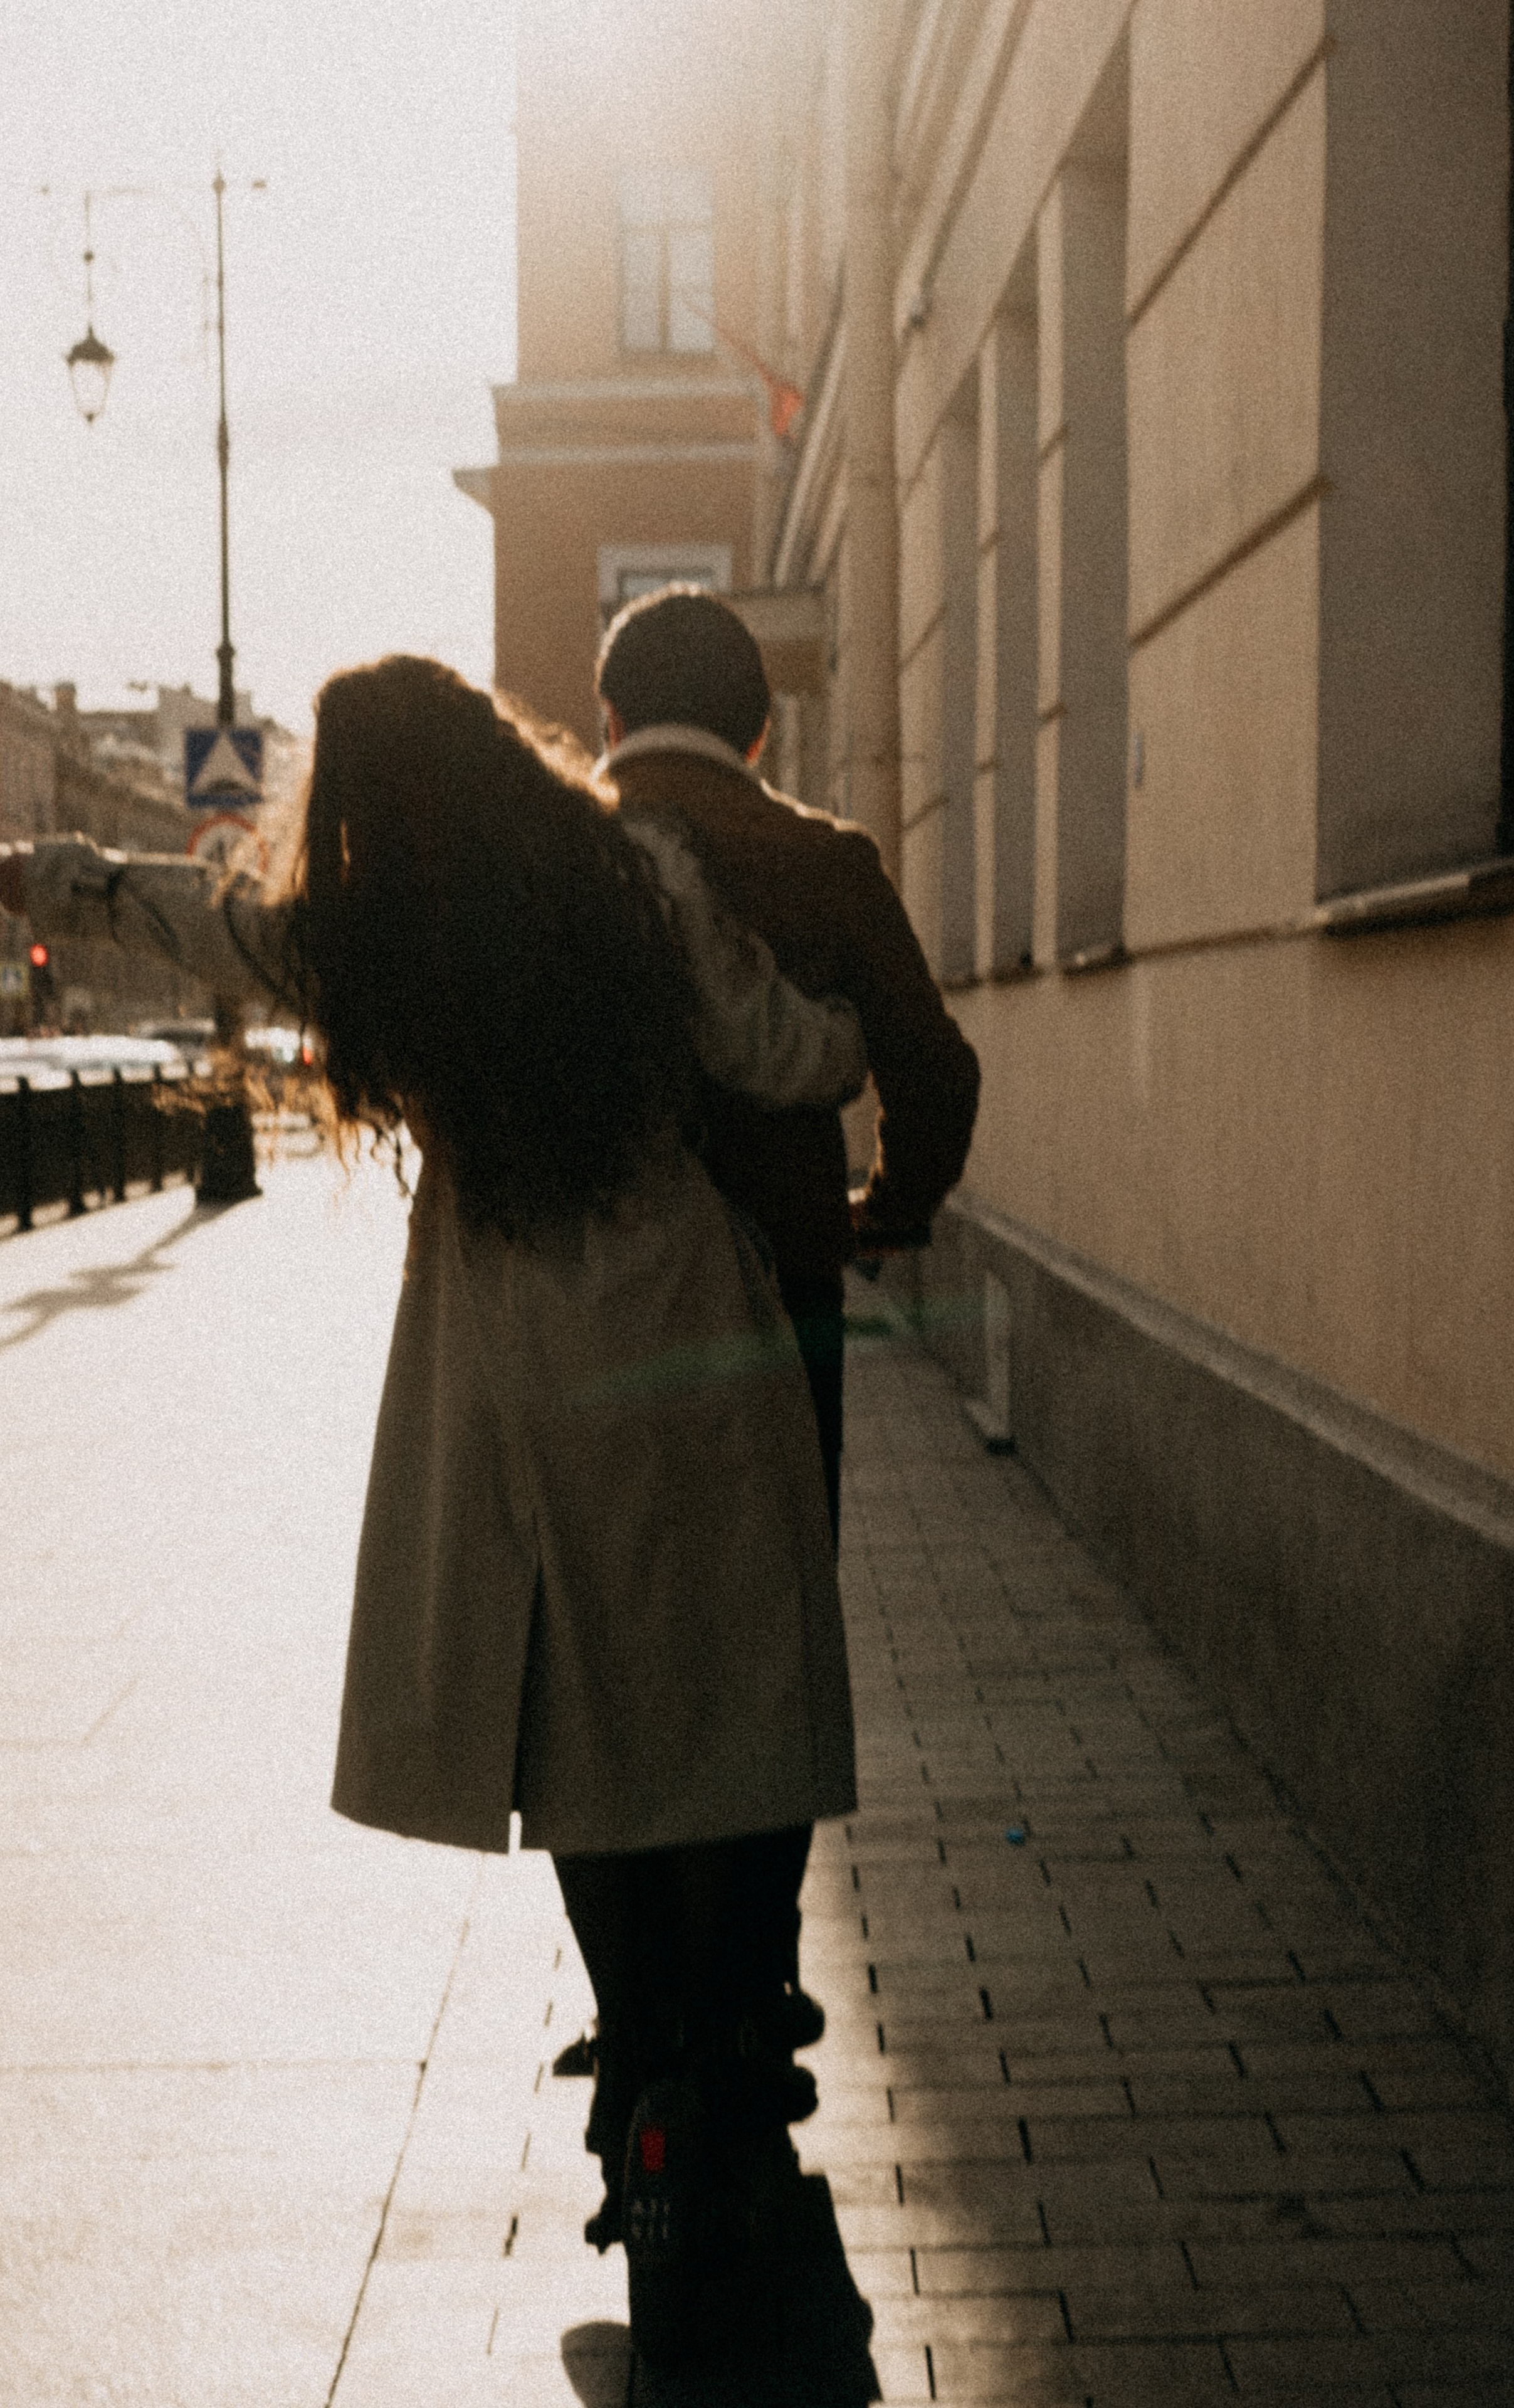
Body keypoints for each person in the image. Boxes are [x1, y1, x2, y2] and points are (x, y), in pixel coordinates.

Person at [0, 656, 870, 2353]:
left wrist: (56, 878)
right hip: (686, 1330)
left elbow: (196, 919)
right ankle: (718, 2047)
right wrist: (857, 1021)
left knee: (579, 1735)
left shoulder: (371, 935)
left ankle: (639, 2074)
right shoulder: (638, 880)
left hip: (510, 1358)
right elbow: (782, 1054)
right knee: (719, 1700)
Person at [591, 584, 982, 2044]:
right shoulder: (824, 861)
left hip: (599, 1327)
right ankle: (754, 1978)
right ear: (759, 726)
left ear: (614, 719)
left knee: (614, 1648)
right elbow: (933, 1072)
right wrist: (888, 1209)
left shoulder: (578, 860)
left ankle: (632, 2003)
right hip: (783, 1311)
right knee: (771, 1644)